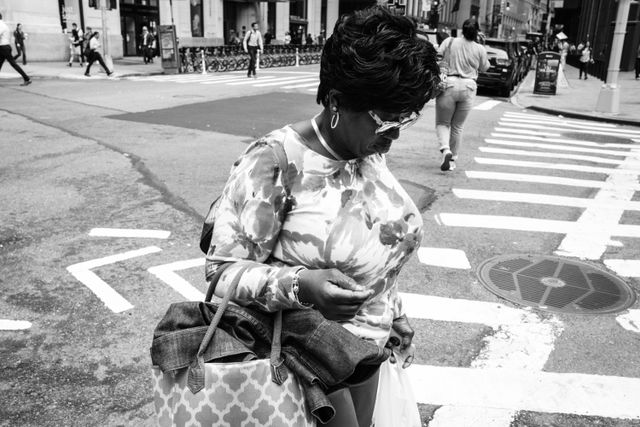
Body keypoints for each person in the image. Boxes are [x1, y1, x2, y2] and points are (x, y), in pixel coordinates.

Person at [206, 6, 438, 427]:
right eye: (385, 119)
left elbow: (371, 245)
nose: (396, 134)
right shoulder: (274, 161)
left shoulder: (364, 150)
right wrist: (301, 285)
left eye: (405, 117)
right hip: (308, 363)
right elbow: (221, 273)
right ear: (335, 102)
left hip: (368, 354)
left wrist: (395, 313)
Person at [435, 18, 489, 172]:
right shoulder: (479, 49)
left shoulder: (449, 42)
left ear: (461, 30)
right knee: (457, 126)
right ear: (477, 32)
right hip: (469, 87)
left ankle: (445, 149)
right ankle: (452, 160)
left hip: (449, 84)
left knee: (442, 123)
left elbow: (437, 57)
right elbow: (485, 67)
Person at [0, 13, 31, 85]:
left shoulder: (1, 25)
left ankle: (27, 79)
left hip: (3, 48)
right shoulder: (4, 25)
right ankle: (27, 79)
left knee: (13, 64)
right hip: (4, 47)